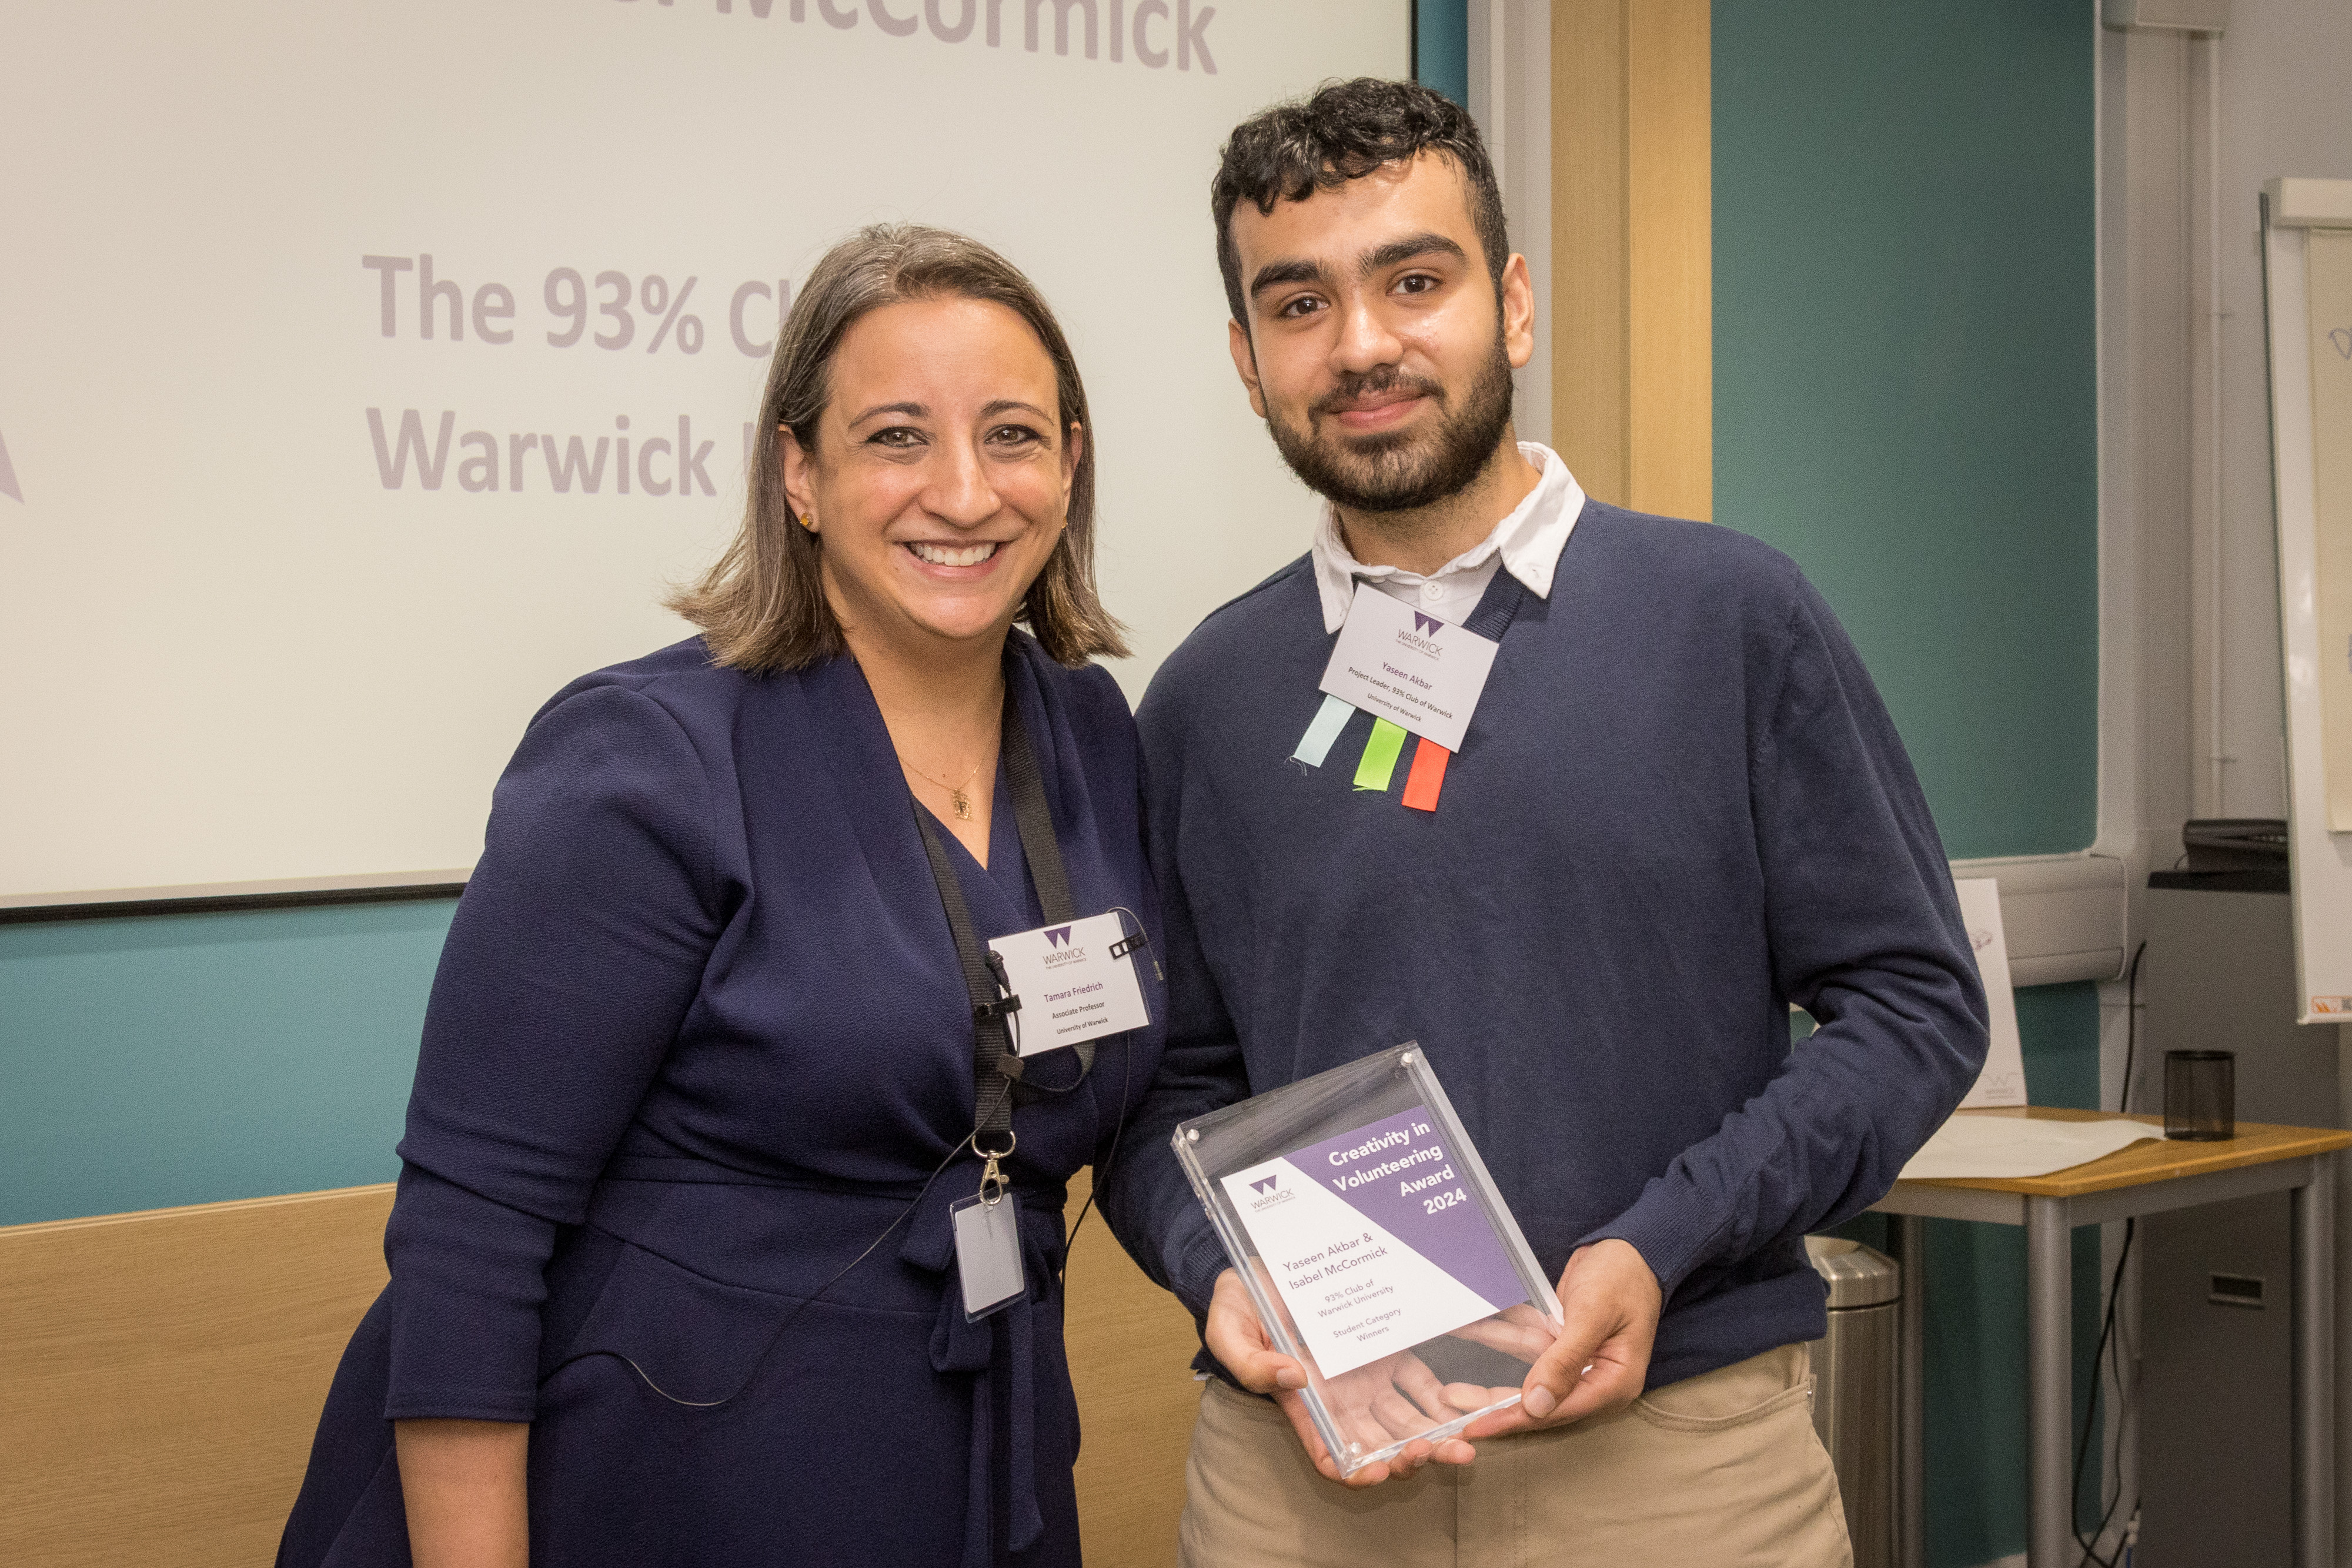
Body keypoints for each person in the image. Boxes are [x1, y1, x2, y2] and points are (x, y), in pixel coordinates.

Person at [1090, 79, 1987, 1565]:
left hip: (1676, 1463)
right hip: (1301, 1476)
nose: (1363, 343)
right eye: (1300, 303)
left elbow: (1912, 1003)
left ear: (1509, 304)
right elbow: (1159, 1086)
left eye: (1414, 280)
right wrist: (1214, 1267)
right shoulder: (1205, 696)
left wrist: (1661, 1239)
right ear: (1247, 363)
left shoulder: (1730, 620)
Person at [278, 223, 1165, 1568]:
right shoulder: (646, 757)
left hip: (978, 1456)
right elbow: (469, 1240)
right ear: (798, 472)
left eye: (1012, 434)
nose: (965, 491)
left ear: (1071, 462)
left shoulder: (1091, 733)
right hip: (653, 1480)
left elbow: (1149, 1091)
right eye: (894, 437)